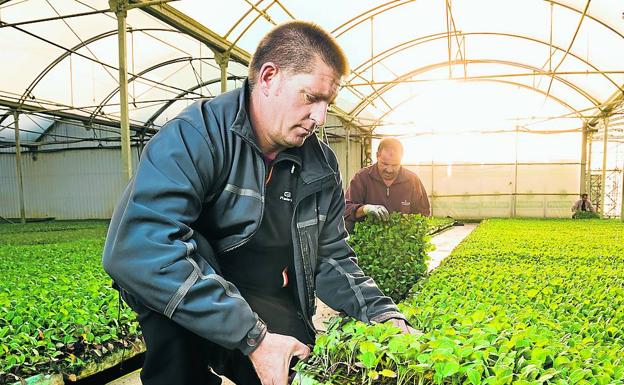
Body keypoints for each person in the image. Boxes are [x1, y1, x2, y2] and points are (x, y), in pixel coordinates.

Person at [103, 21, 414, 385]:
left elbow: (330, 256)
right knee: (179, 371)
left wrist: (383, 315)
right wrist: (254, 337)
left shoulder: (320, 166)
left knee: (298, 369)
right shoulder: (195, 136)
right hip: (185, 287)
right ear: (268, 77)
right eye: (311, 97)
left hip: (259, 291)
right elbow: (139, 251)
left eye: (327, 102)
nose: (320, 117)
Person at [344, 137, 431, 232]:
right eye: (385, 164)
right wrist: (365, 209)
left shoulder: (412, 180)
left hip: (401, 239)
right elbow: (346, 208)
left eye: (395, 165)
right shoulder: (362, 177)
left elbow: (423, 212)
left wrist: (410, 230)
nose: (389, 170)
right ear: (377, 156)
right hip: (369, 236)